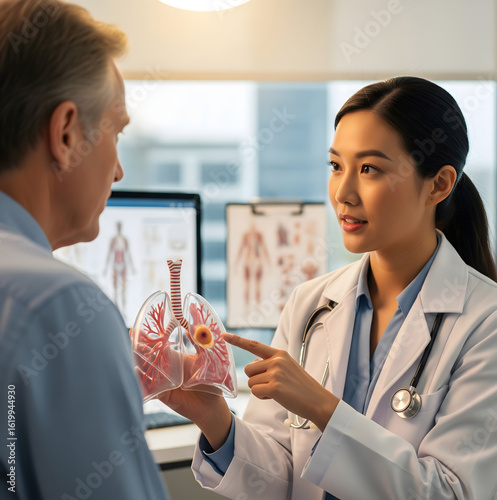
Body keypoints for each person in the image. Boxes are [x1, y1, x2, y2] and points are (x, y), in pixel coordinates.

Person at [160, 77, 497, 499]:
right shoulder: (310, 305)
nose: (343, 193)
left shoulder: (486, 323)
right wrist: (216, 421)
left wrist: (322, 408)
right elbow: (284, 478)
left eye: (369, 169)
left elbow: (453, 492)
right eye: (337, 166)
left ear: (439, 184)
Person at [0, 1, 170, 498]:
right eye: (116, 131)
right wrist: (89, 354)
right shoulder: (58, 306)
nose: (118, 171)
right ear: (67, 133)